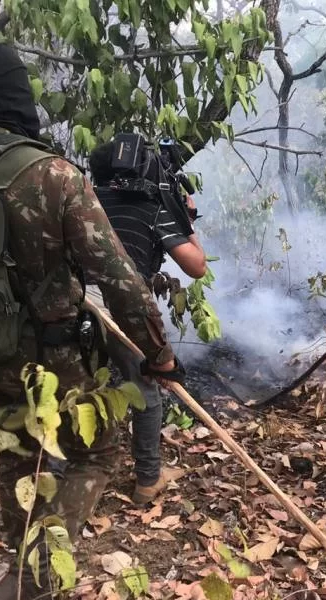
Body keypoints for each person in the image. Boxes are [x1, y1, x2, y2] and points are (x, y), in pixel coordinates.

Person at [0, 43, 183, 600]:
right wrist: (159, 352)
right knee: (95, 455)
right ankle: (30, 588)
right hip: (50, 359)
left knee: (16, 460)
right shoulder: (51, 175)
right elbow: (120, 279)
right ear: (18, 95)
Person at [88, 136, 207, 503]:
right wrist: (185, 220)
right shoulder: (152, 206)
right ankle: (147, 480)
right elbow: (197, 266)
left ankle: (75, 474)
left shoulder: (85, 199)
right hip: (119, 306)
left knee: (81, 387)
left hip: (72, 304)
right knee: (147, 387)